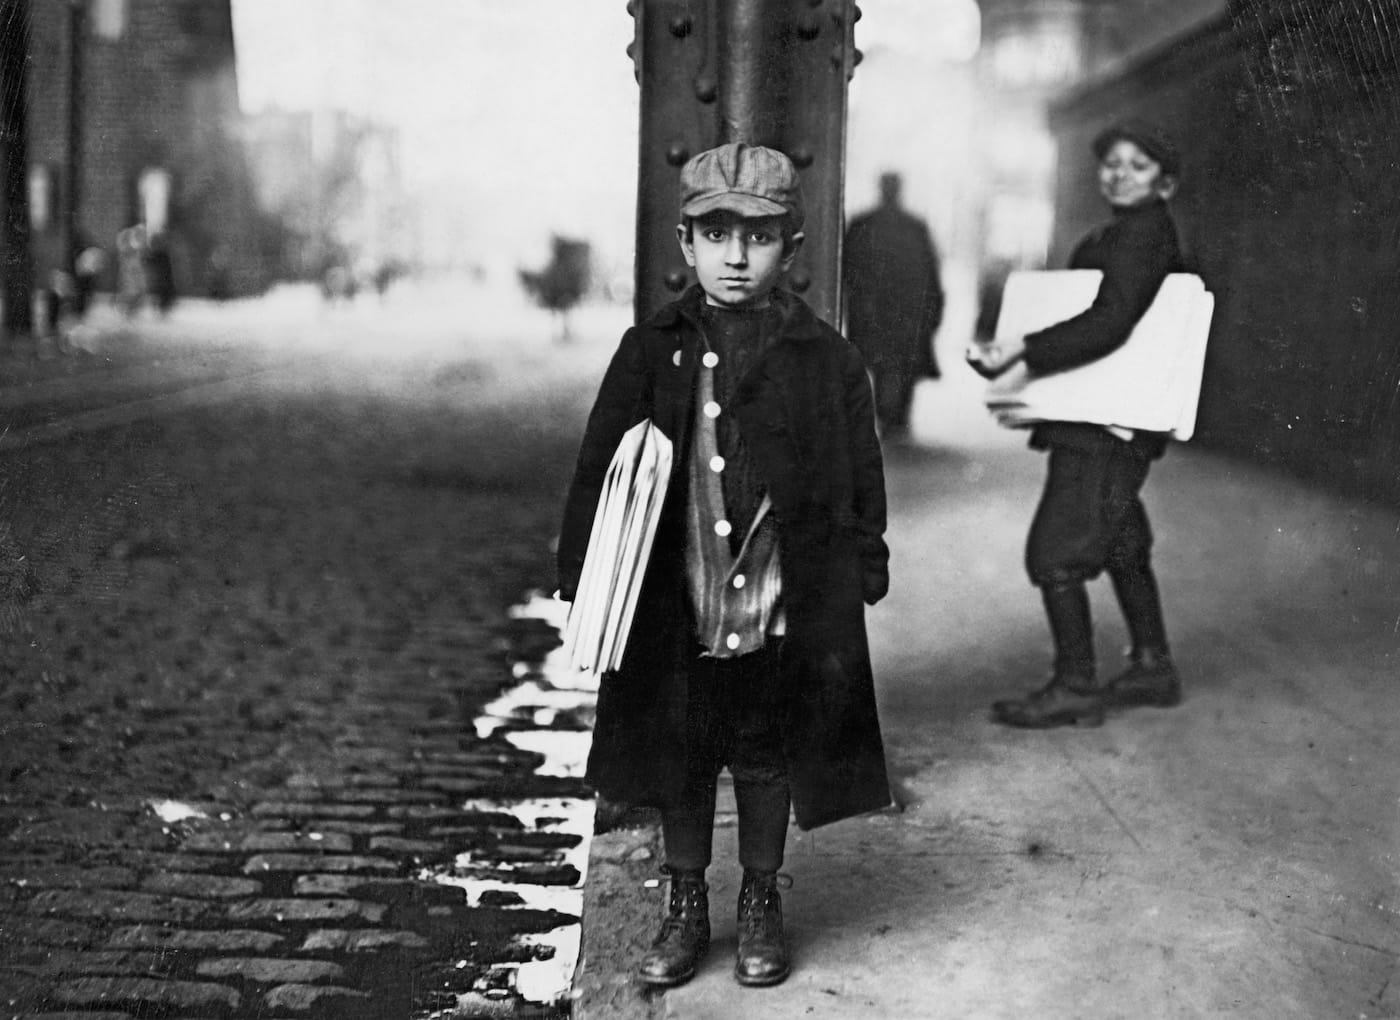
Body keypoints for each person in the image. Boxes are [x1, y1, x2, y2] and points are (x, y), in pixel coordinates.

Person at [557, 142, 892, 988]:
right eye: (716, 234)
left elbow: (861, 470)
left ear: (792, 248)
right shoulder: (652, 348)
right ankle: (684, 902)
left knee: (765, 750)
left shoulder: (827, 359)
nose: (736, 257)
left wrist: (866, 557)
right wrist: (582, 568)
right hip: (684, 591)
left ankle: (760, 897)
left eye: (759, 237)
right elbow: (600, 462)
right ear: (686, 243)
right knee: (683, 751)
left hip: (777, 591)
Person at [967, 119, 1186, 728]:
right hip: (1110, 418)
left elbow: (1109, 322)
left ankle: (1075, 685)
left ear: (1165, 184)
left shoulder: (1139, 237)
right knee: (1121, 542)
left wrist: (1022, 349)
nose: (1119, 174)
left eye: (1137, 166)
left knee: (1055, 554)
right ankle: (1152, 666)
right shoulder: (1128, 233)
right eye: (1111, 163)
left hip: (1106, 424)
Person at [842, 171, 945, 438]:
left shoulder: (863, 224)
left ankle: (889, 416)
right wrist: (935, 311)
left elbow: (848, 272)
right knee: (903, 364)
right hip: (907, 312)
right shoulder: (914, 227)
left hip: (873, 311)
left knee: (881, 365)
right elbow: (931, 273)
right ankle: (897, 418)